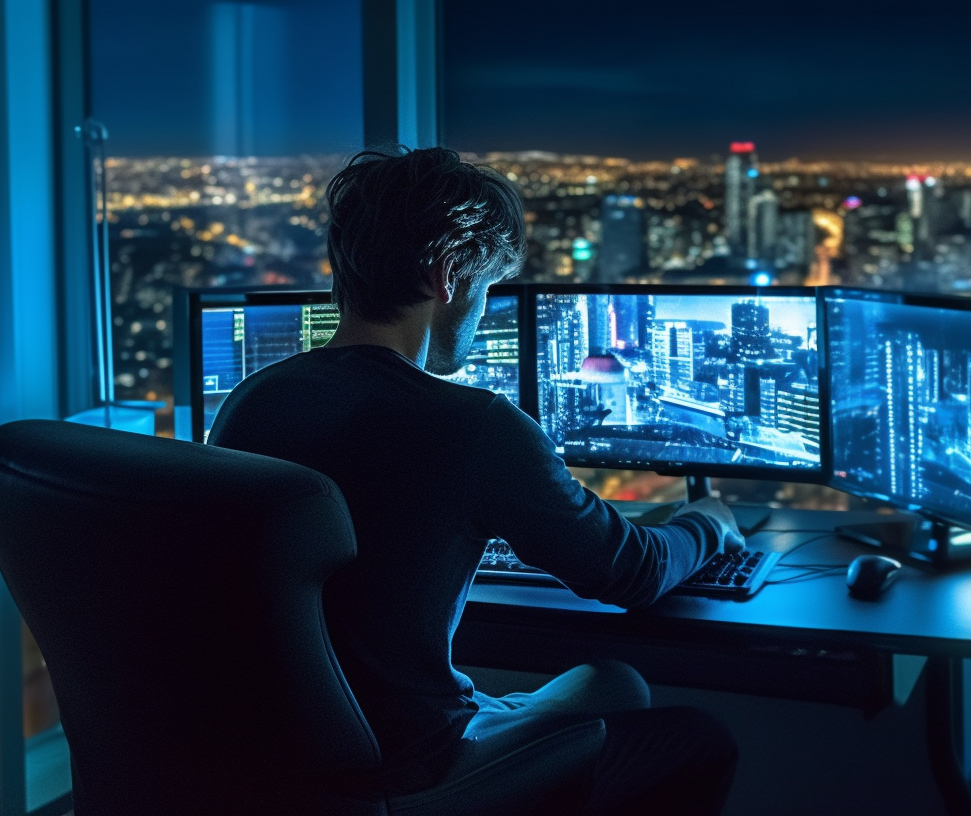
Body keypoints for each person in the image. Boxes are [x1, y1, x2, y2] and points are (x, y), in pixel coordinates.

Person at [208, 147, 741, 814]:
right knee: (700, 737)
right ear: (450, 274)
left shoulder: (251, 401)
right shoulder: (475, 423)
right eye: (487, 289)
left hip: (278, 763)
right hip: (411, 765)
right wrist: (710, 522)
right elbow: (630, 572)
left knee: (615, 685)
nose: (484, 312)